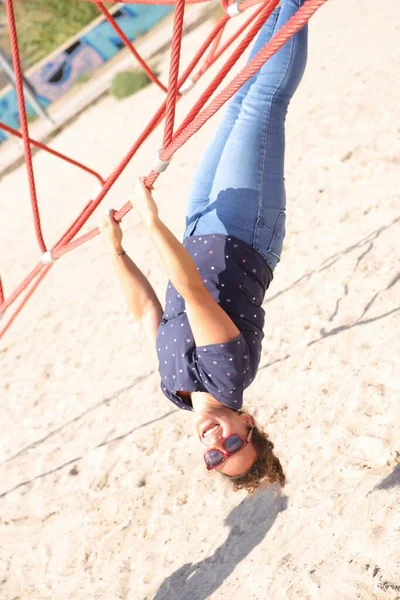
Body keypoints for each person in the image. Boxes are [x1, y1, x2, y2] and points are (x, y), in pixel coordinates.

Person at [100, 0, 308, 495]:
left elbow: (149, 313)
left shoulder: (176, 391)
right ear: (248, 423)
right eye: (235, 446)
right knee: (260, 104)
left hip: (198, 232)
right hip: (244, 231)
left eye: (214, 459)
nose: (217, 445)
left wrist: (117, 254)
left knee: (237, 103)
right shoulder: (229, 377)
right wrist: (150, 222)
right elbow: (192, 294)